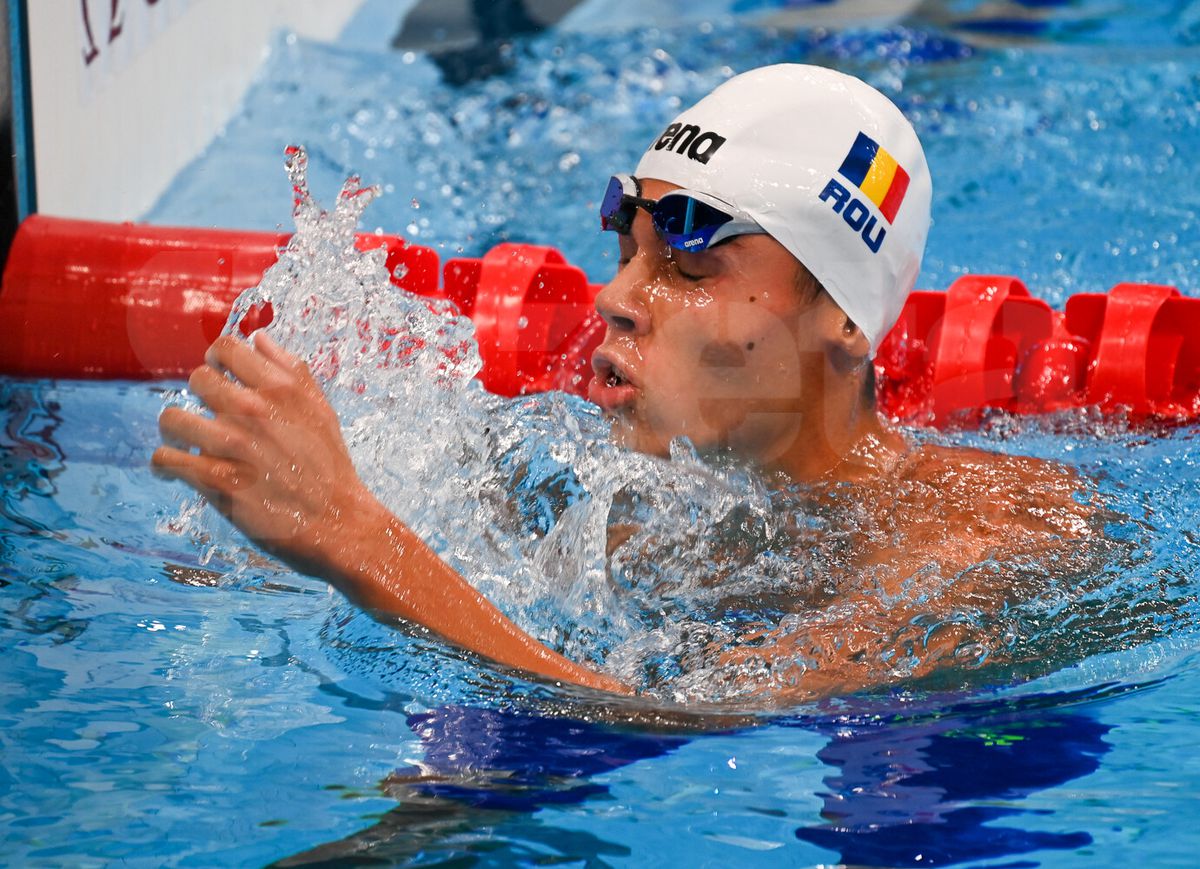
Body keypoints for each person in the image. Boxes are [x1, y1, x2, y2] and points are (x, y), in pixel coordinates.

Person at [151, 64, 1098, 700]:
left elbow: (694, 723)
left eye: (686, 266)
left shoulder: (979, 541)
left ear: (845, 318)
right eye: (625, 250)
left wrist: (354, 538)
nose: (614, 299)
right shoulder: (613, 496)